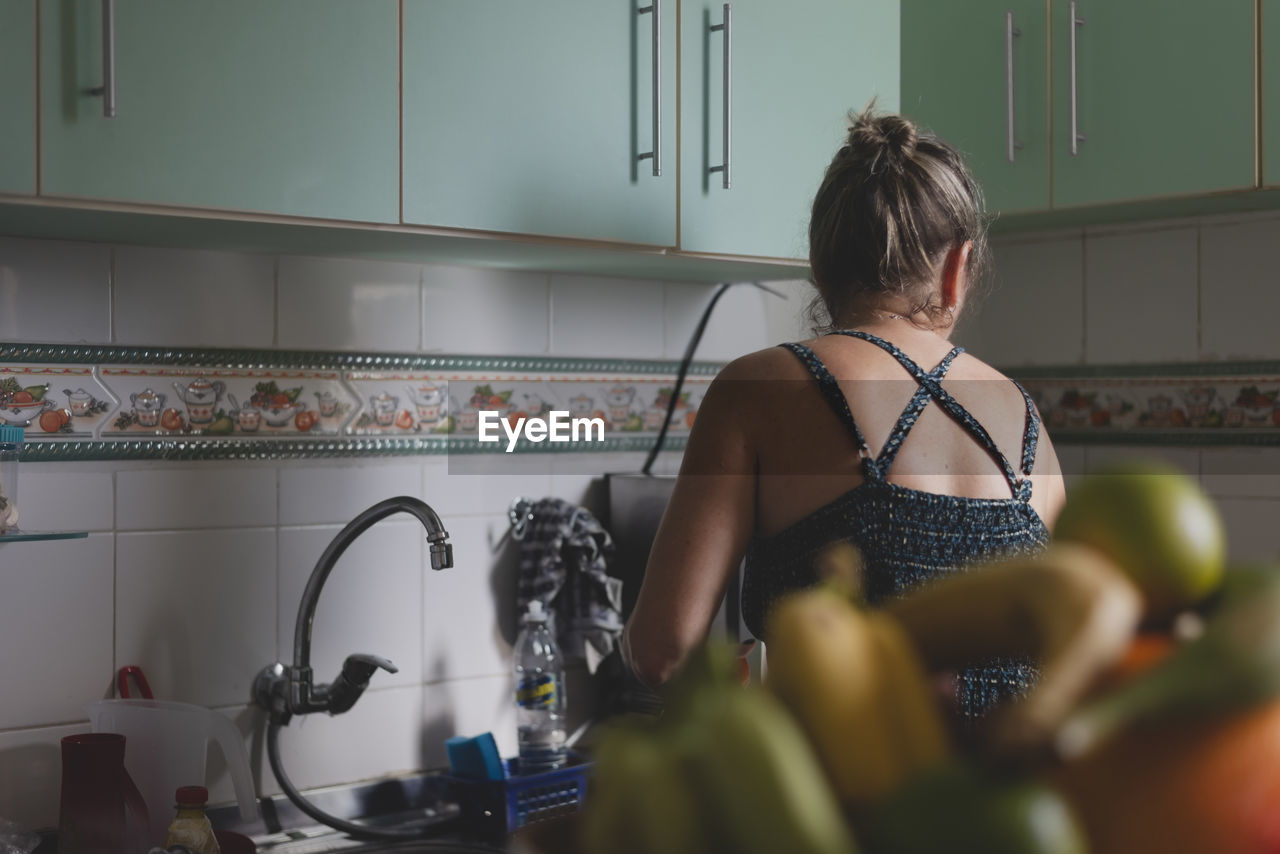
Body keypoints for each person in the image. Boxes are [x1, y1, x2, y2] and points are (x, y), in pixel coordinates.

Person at [621, 108, 1066, 718]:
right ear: (959, 268)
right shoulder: (1019, 413)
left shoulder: (757, 389)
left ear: (819, 262)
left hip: (839, 804)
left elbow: (663, 651)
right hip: (1013, 803)